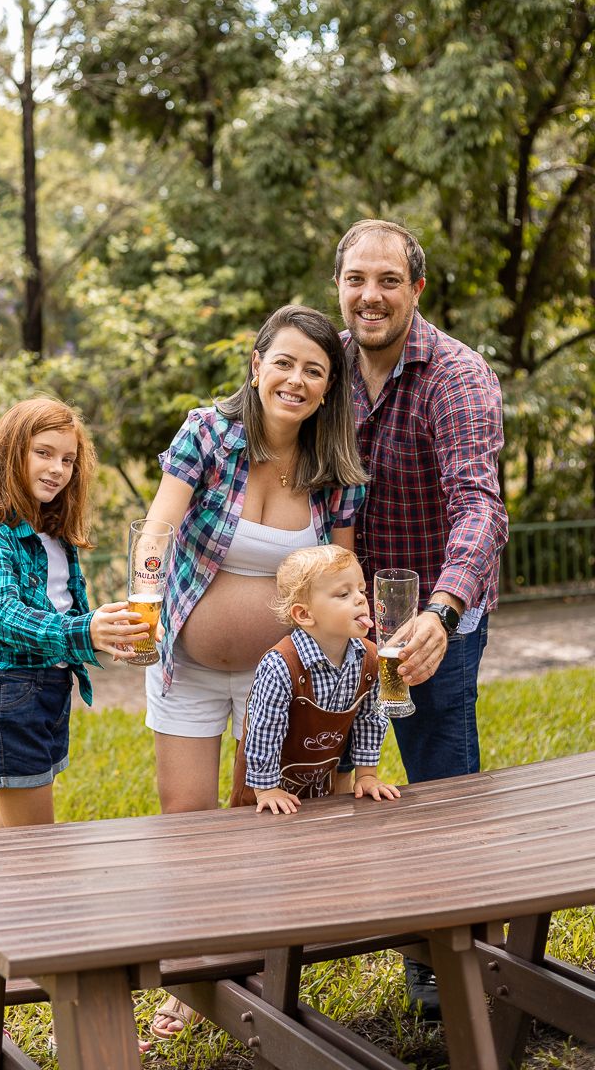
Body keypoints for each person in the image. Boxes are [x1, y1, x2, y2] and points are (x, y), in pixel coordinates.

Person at [142, 304, 367, 1039]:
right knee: (187, 822)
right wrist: (145, 586)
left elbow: (341, 571)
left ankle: (252, 968)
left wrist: (364, 642)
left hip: (282, 678)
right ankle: (191, 977)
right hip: (189, 666)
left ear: (329, 388)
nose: (296, 381)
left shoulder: (335, 464)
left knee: (264, 821)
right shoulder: (209, 432)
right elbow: (161, 526)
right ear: (257, 364)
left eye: (315, 371)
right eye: (286, 363)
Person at [333, 218, 509, 1017]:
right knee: (322, 782)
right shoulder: (323, 366)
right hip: (339, 619)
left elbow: (478, 503)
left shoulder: (456, 376)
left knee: (440, 788)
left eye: (388, 280)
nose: (371, 295)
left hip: (436, 617)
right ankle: (322, 937)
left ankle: (458, 977)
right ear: (339, 287)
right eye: (355, 280)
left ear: (416, 289)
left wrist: (443, 609)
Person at [0, 396, 150, 830]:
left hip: (49, 694)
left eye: (68, 459)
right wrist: (84, 631)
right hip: (12, 697)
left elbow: (67, 610)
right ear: (11, 454)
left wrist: (109, 636)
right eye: (43, 453)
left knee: (11, 836)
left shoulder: (55, 538)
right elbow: (2, 614)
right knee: (35, 842)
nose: (57, 469)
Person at [231, 544, 400, 814]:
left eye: (362, 590)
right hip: (263, 795)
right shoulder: (281, 666)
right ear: (305, 615)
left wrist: (367, 775)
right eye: (343, 594)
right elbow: (264, 730)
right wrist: (266, 788)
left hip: (320, 788)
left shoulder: (368, 659)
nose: (359, 599)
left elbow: (370, 719)